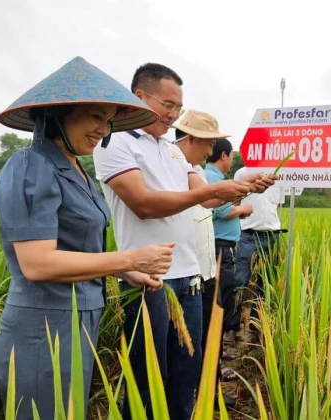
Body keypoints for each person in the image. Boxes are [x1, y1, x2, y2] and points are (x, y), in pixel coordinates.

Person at [0, 56, 174, 420]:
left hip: (80, 321)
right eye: (95, 116)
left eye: (108, 121)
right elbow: (37, 263)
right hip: (43, 330)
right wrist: (130, 259)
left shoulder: (77, 169)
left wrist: (125, 273)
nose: (104, 129)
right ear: (58, 114)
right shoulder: (31, 165)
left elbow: (77, 251)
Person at [92, 63, 274, 420]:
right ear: (139, 97)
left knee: (184, 377)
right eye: (168, 105)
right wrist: (217, 190)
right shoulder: (114, 143)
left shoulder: (173, 151)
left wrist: (242, 187)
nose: (173, 114)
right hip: (148, 280)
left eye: (178, 108)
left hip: (189, 279)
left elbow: (205, 198)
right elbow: (143, 204)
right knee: (147, 380)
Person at [173, 110, 240, 408]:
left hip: (203, 271)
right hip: (182, 274)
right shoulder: (170, 167)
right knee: (186, 348)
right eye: (208, 144)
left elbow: (211, 200)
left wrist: (243, 187)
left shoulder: (196, 172)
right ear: (191, 138)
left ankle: (207, 397)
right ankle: (191, 401)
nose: (212, 151)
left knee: (205, 339)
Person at [205, 140, 253, 346]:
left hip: (219, 247)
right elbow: (223, 212)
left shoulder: (210, 176)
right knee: (219, 298)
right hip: (219, 248)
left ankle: (217, 353)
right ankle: (216, 354)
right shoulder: (213, 179)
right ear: (223, 155)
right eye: (232, 155)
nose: (232, 160)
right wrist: (244, 210)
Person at [234, 166, 285, 340]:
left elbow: (276, 205)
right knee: (240, 279)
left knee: (266, 282)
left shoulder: (279, 174)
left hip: (272, 235)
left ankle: (255, 325)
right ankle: (232, 325)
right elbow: (236, 202)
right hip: (248, 234)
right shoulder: (243, 172)